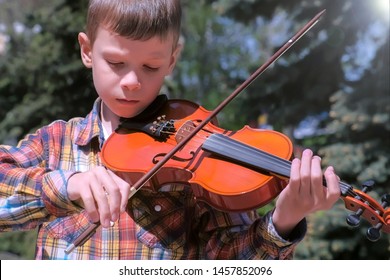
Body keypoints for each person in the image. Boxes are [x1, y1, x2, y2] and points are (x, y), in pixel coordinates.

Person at [0, 0, 340, 260]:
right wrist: (67, 185)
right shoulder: (57, 142)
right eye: (116, 63)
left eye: (151, 66)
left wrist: (283, 220)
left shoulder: (202, 164)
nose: (132, 82)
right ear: (87, 51)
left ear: (172, 60)